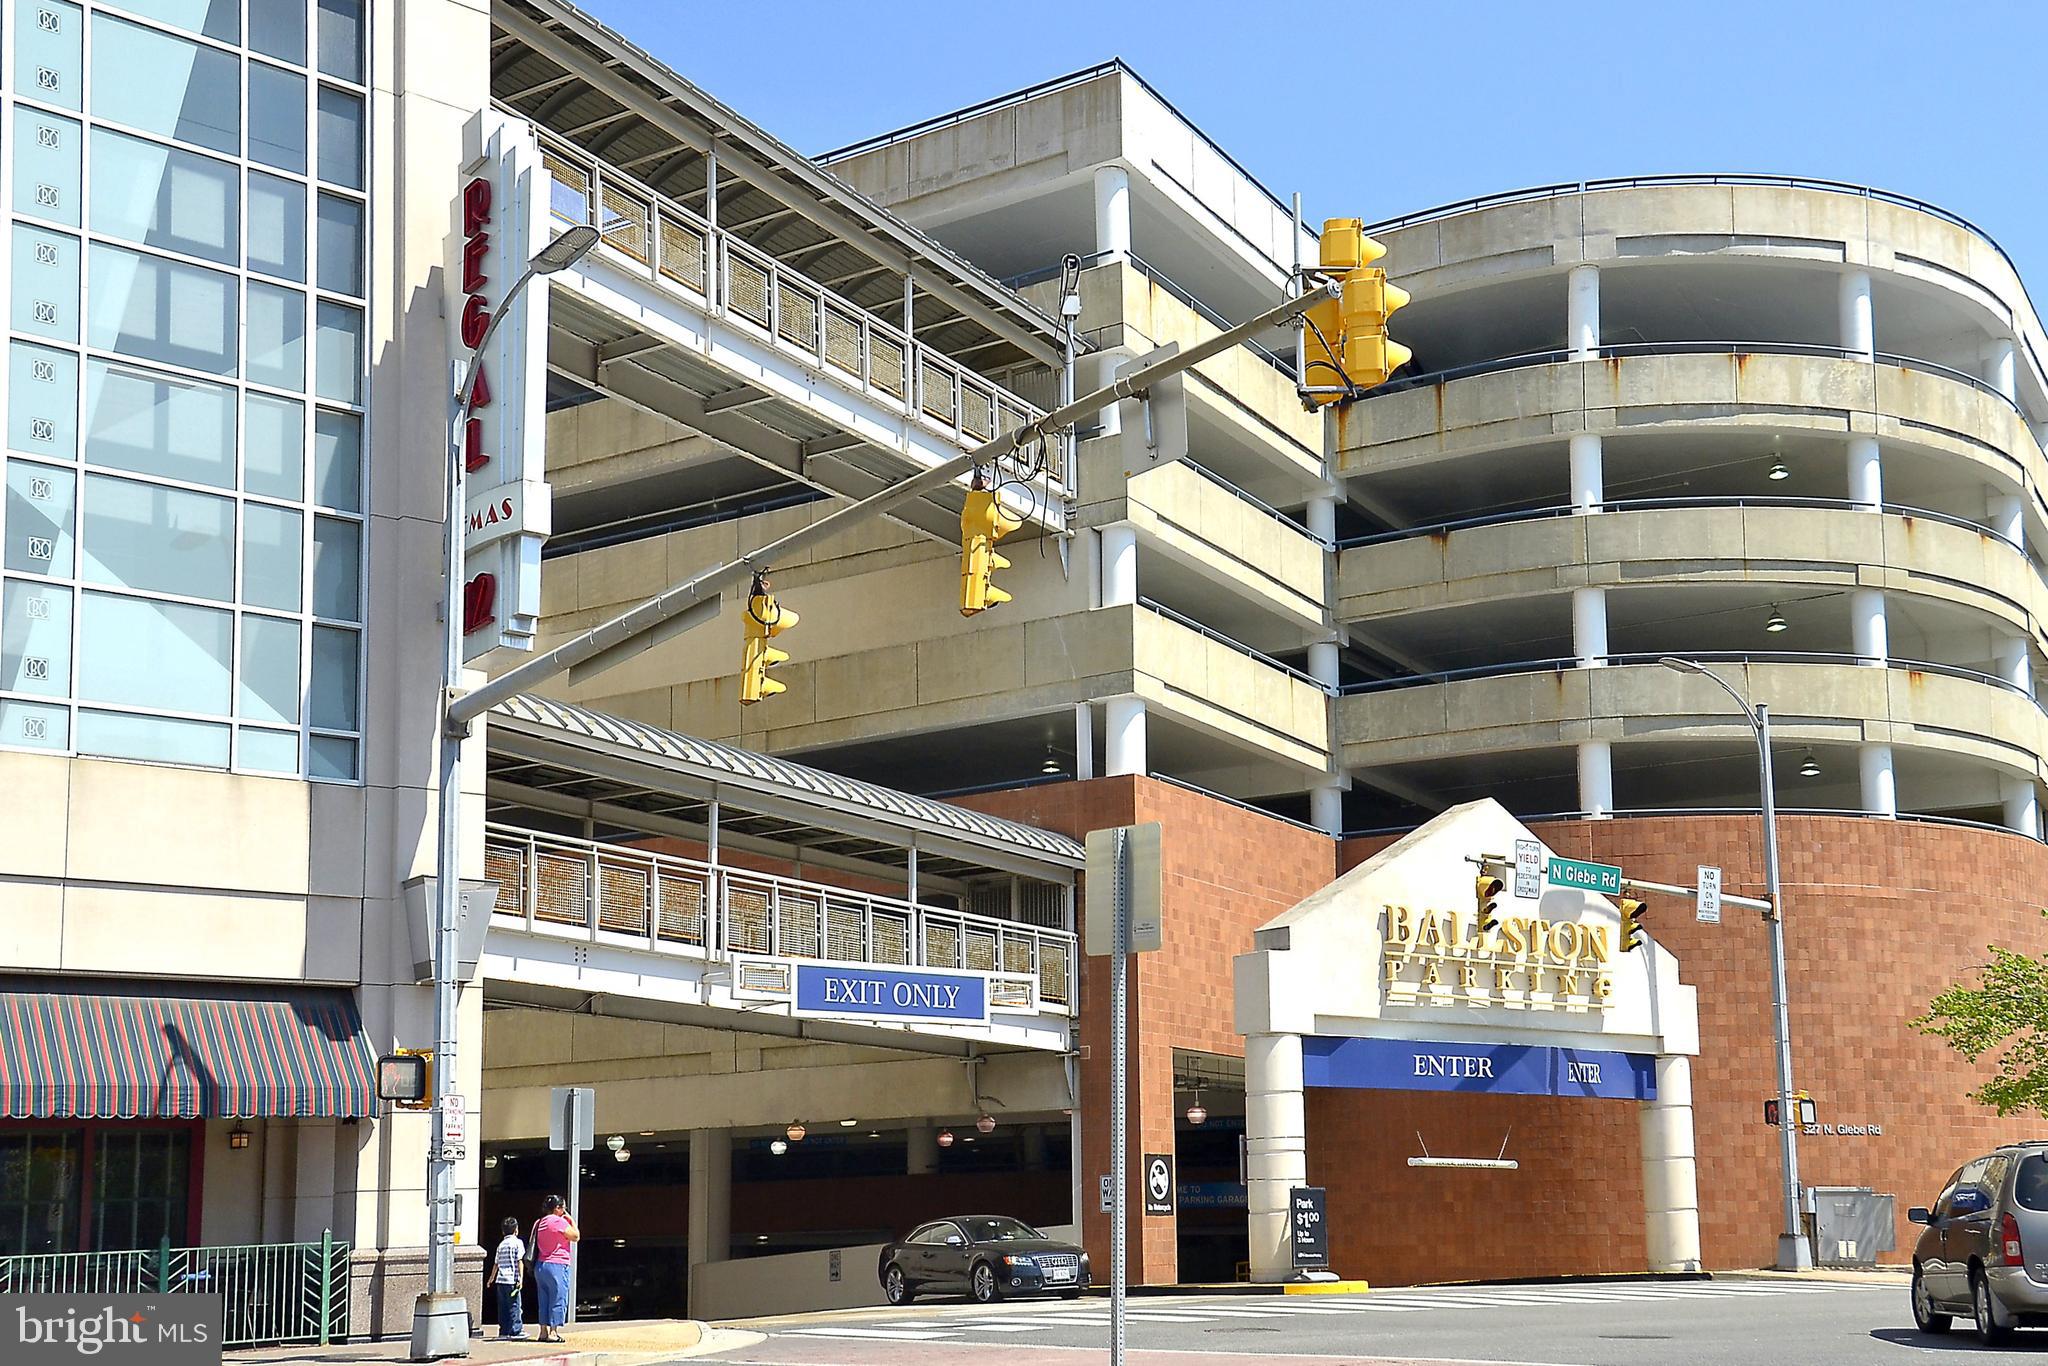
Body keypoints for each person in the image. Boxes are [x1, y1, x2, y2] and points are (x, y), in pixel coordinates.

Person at [531, 1194, 580, 1342]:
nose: (564, 1210)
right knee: (558, 1297)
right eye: (563, 1207)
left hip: (540, 1265)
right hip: (557, 1264)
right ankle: (553, 1332)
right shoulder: (559, 1222)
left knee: (543, 1298)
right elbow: (576, 1236)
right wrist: (571, 1220)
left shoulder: (538, 1222)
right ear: (558, 1208)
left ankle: (543, 1331)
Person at [489, 1216, 527, 1339]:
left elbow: (496, 1263)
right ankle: (516, 1330)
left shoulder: (501, 1245)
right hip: (512, 1280)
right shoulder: (518, 1243)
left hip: (500, 1280)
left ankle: (504, 1331)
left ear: (503, 1231)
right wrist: (520, 1278)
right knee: (515, 1305)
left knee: (503, 1306)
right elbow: (519, 1261)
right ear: (516, 1230)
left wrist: (491, 1278)